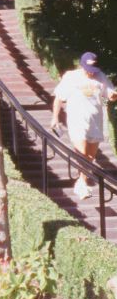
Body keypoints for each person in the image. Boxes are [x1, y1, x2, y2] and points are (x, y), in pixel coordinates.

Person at [51, 51, 117, 198]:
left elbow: (110, 94)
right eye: (88, 70)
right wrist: (55, 117)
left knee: (90, 157)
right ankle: (82, 185)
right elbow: (58, 98)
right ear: (81, 66)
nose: (91, 74)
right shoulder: (71, 77)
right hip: (77, 120)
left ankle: (81, 182)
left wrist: (113, 96)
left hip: (96, 121)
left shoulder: (100, 77)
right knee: (82, 154)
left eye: (93, 71)